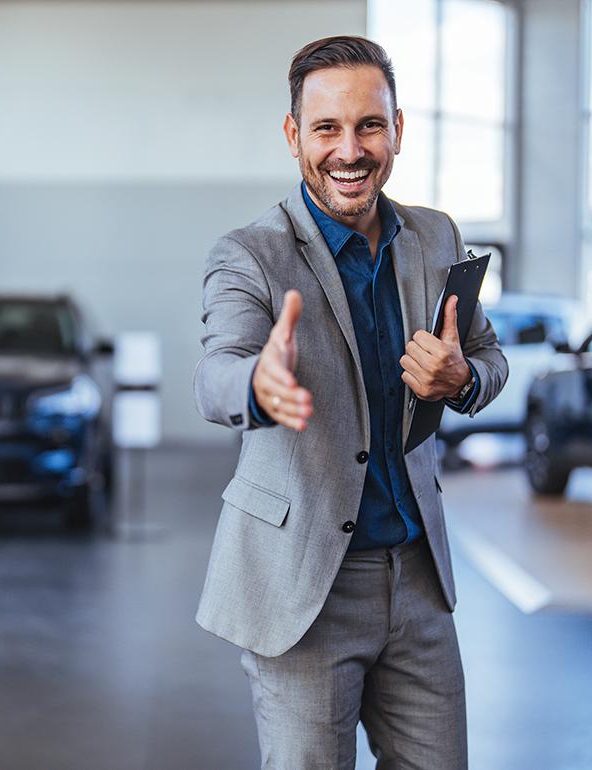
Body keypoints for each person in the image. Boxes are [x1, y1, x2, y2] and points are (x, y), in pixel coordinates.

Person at [193, 35, 508, 769]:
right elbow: (215, 376)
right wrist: (258, 385)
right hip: (306, 585)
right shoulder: (249, 254)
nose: (350, 150)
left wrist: (461, 378)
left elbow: (490, 358)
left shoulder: (435, 235)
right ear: (293, 134)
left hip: (419, 581)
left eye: (369, 125)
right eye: (327, 127)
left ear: (397, 129)